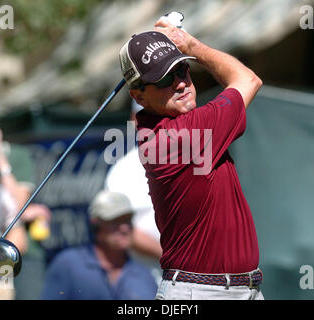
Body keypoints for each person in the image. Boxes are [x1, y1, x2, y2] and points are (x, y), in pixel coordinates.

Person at [118, 18, 263, 300]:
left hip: (239, 289)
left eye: (182, 68)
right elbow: (248, 79)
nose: (181, 83)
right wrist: (191, 45)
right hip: (200, 293)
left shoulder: (166, 130)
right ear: (139, 96)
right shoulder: (180, 135)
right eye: (163, 78)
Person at [0, 97, 51, 299]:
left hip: (22, 253)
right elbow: (22, 211)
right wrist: (28, 212)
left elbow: (17, 206)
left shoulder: (16, 155)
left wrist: (0, 160)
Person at [41, 190, 158, 300]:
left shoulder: (144, 275)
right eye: (115, 221)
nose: (124, 228)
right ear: (96, 224)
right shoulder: (68, 264)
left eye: (127, 220)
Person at [105, 100, 162, 284]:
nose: (157, 121)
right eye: (146, 114)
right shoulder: (122, 171)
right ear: (134, 120)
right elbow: (121, 230)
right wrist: (174, 256)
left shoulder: (194, 158)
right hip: (148, 283)